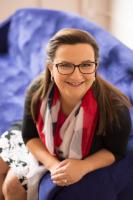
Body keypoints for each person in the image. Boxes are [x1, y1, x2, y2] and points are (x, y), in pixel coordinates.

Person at [0, 28, 132, 200]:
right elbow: (30, 136)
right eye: (65, 65)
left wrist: (84, 166)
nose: (76, 75)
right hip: (38, 141)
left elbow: (116, 151)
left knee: (12, 187)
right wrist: (53, 165)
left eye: (85, 65)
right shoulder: (37, 91)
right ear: (51, 67)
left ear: (95, 66)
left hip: (59, 149)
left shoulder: (115, 107)